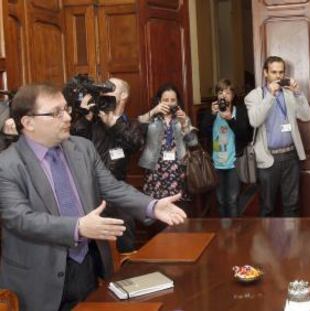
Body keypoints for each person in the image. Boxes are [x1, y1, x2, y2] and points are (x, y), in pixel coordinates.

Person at [0, 84, 186, 311]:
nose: (68, 117)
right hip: (38, 279)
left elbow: (112, 187)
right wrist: (77, 227)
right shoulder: (7, 165)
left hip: (88, 266)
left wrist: (151, 205)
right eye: (56, 113)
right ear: (28, 123)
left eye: (66, 109)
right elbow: (20, 219)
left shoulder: (83, 148)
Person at [71, 78, 144, 253]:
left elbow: (134, 144)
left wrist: (113, 124)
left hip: (118, 196)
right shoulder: (92, 123)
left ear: (124, 95)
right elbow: (76, 144)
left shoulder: (131, 124)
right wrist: (85, 118)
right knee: (94, 251)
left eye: (111, 89)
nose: (105, 92)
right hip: (90, 194)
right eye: (103, 89)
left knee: (124, 246)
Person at [244, 56, 310, 217]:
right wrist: (271, 96)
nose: (278, 76)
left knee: (292, 205)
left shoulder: (289, 94)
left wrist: (298, 94)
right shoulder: (254, 96)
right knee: (267, 208)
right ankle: (269, 242)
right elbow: (255, 121)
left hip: (290, 156)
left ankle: (293, 241)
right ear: (265, 73)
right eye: (274, 72)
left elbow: (306, 116)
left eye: (281, 72)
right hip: (268, 159)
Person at [138, 83, 198, 215]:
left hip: (178, 170)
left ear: (177, 102)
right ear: (159, 101)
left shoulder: (182, 117)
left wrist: (184, 124)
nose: (169, 103)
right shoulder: (152, 117)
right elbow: (136, 126)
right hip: (155, 170)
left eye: (173, 100)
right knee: (156, 210)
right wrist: (154, 111)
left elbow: (193, 142)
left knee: (178, 209)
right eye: (166, 100)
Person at [200, 79, 252, 217]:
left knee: (233, 199)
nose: (224, 96)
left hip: (234, 161)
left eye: (228, 92)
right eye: (220, 92)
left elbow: (245, 135)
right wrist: (211, 115)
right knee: (220, 200)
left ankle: (234, 234)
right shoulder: (211, 112)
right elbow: (203, 132)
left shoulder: (240, 111)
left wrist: (230, 119)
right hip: (216, 162)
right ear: (217, 95)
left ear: (233, 95)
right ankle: (224, 232)